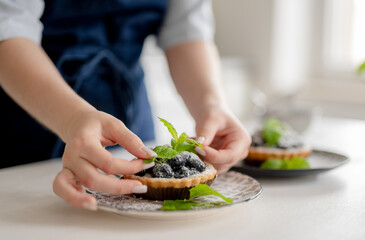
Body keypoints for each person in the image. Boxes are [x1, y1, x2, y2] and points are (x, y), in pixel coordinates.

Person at [0, 0, 251, 210]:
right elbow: (8, 25)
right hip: (30, 121)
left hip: (129, 113)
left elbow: (186, 27)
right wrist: (72, 118)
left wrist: (211, 104)